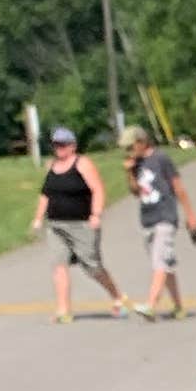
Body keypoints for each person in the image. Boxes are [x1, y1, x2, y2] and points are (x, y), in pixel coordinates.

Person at [31, 129, 124, 320]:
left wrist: (96, 214)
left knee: (92, 266)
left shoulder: (83, 164)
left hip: (81, 224)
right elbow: (45, 194)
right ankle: (63, 309)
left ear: (73, 145)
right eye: (56, 144)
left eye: (63, 144)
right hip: (56, 224)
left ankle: (117, 297)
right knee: (59, 264)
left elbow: (97, 189)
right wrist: (38, 218)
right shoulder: (52, 166)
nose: (60, 148)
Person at [124, 126, 196, 317]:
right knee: (164, 262)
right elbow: (135, 192)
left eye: (130, 146)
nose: (128, 151)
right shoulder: (136, 164)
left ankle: (151, 305)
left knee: (159, 260)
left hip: (165, 216)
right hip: (147, 218)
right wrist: (128, 172)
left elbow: (178, 187)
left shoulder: (161, 159)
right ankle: (178, 306)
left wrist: (191, 216)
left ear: (141, 142)